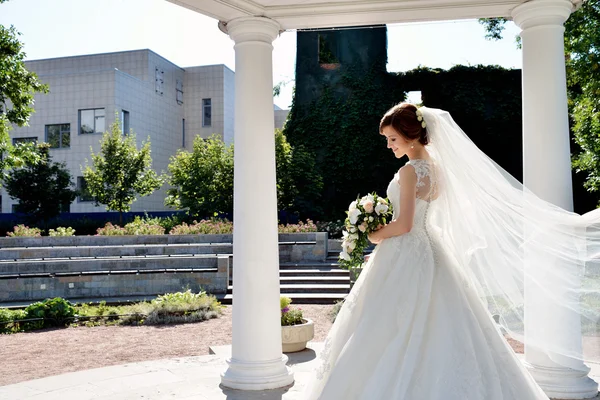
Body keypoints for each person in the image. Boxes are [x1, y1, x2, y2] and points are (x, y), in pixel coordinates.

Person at [302, 103, 600, 399]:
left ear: (412, 135)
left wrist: (373, 232)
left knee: (391, 324)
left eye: (392, 139)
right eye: (387, 140)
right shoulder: (438, 169)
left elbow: (405, 224)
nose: (389, 145)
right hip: (432, 249)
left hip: (407, 251)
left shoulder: (408, 171)